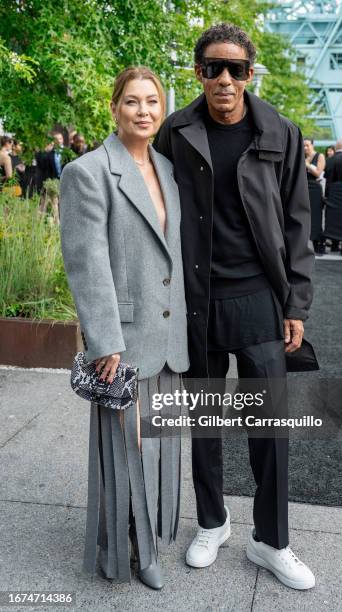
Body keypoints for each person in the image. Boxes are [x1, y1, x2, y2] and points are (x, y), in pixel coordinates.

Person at [154, 23, 315, 590]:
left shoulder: (280, 132)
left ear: (251, 72)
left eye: (236, 69)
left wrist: (296, 302)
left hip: (260, 300)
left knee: (269, 427)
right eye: (213, 68)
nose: (225, 79)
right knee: (204, 420)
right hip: (196, 300)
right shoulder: (175, 130)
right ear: (198, 72)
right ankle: (212, 521)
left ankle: (271, 540)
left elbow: (299, 222)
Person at [60, 66, 189, 589]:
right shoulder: (88, 171)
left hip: (170, 338)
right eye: (133, 101)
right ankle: (128, 551)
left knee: (158, 449)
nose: (144, 111)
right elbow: (86, 262)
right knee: (127, 451)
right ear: (114, 106)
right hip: (125, 340)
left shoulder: (168, 169)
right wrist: (104, 342)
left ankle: (150, 538)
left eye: (153, 102)